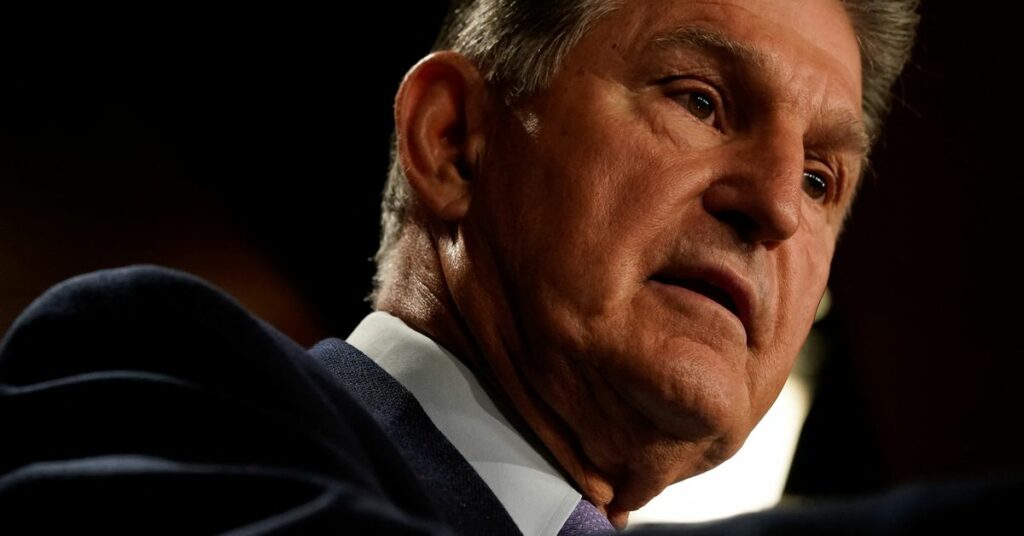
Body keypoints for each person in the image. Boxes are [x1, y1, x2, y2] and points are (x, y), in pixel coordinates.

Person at [0, 0, 932, 534]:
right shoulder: (155, 375)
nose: (775, 206)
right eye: (699, 100)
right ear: (452, 141)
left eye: (820, 178)